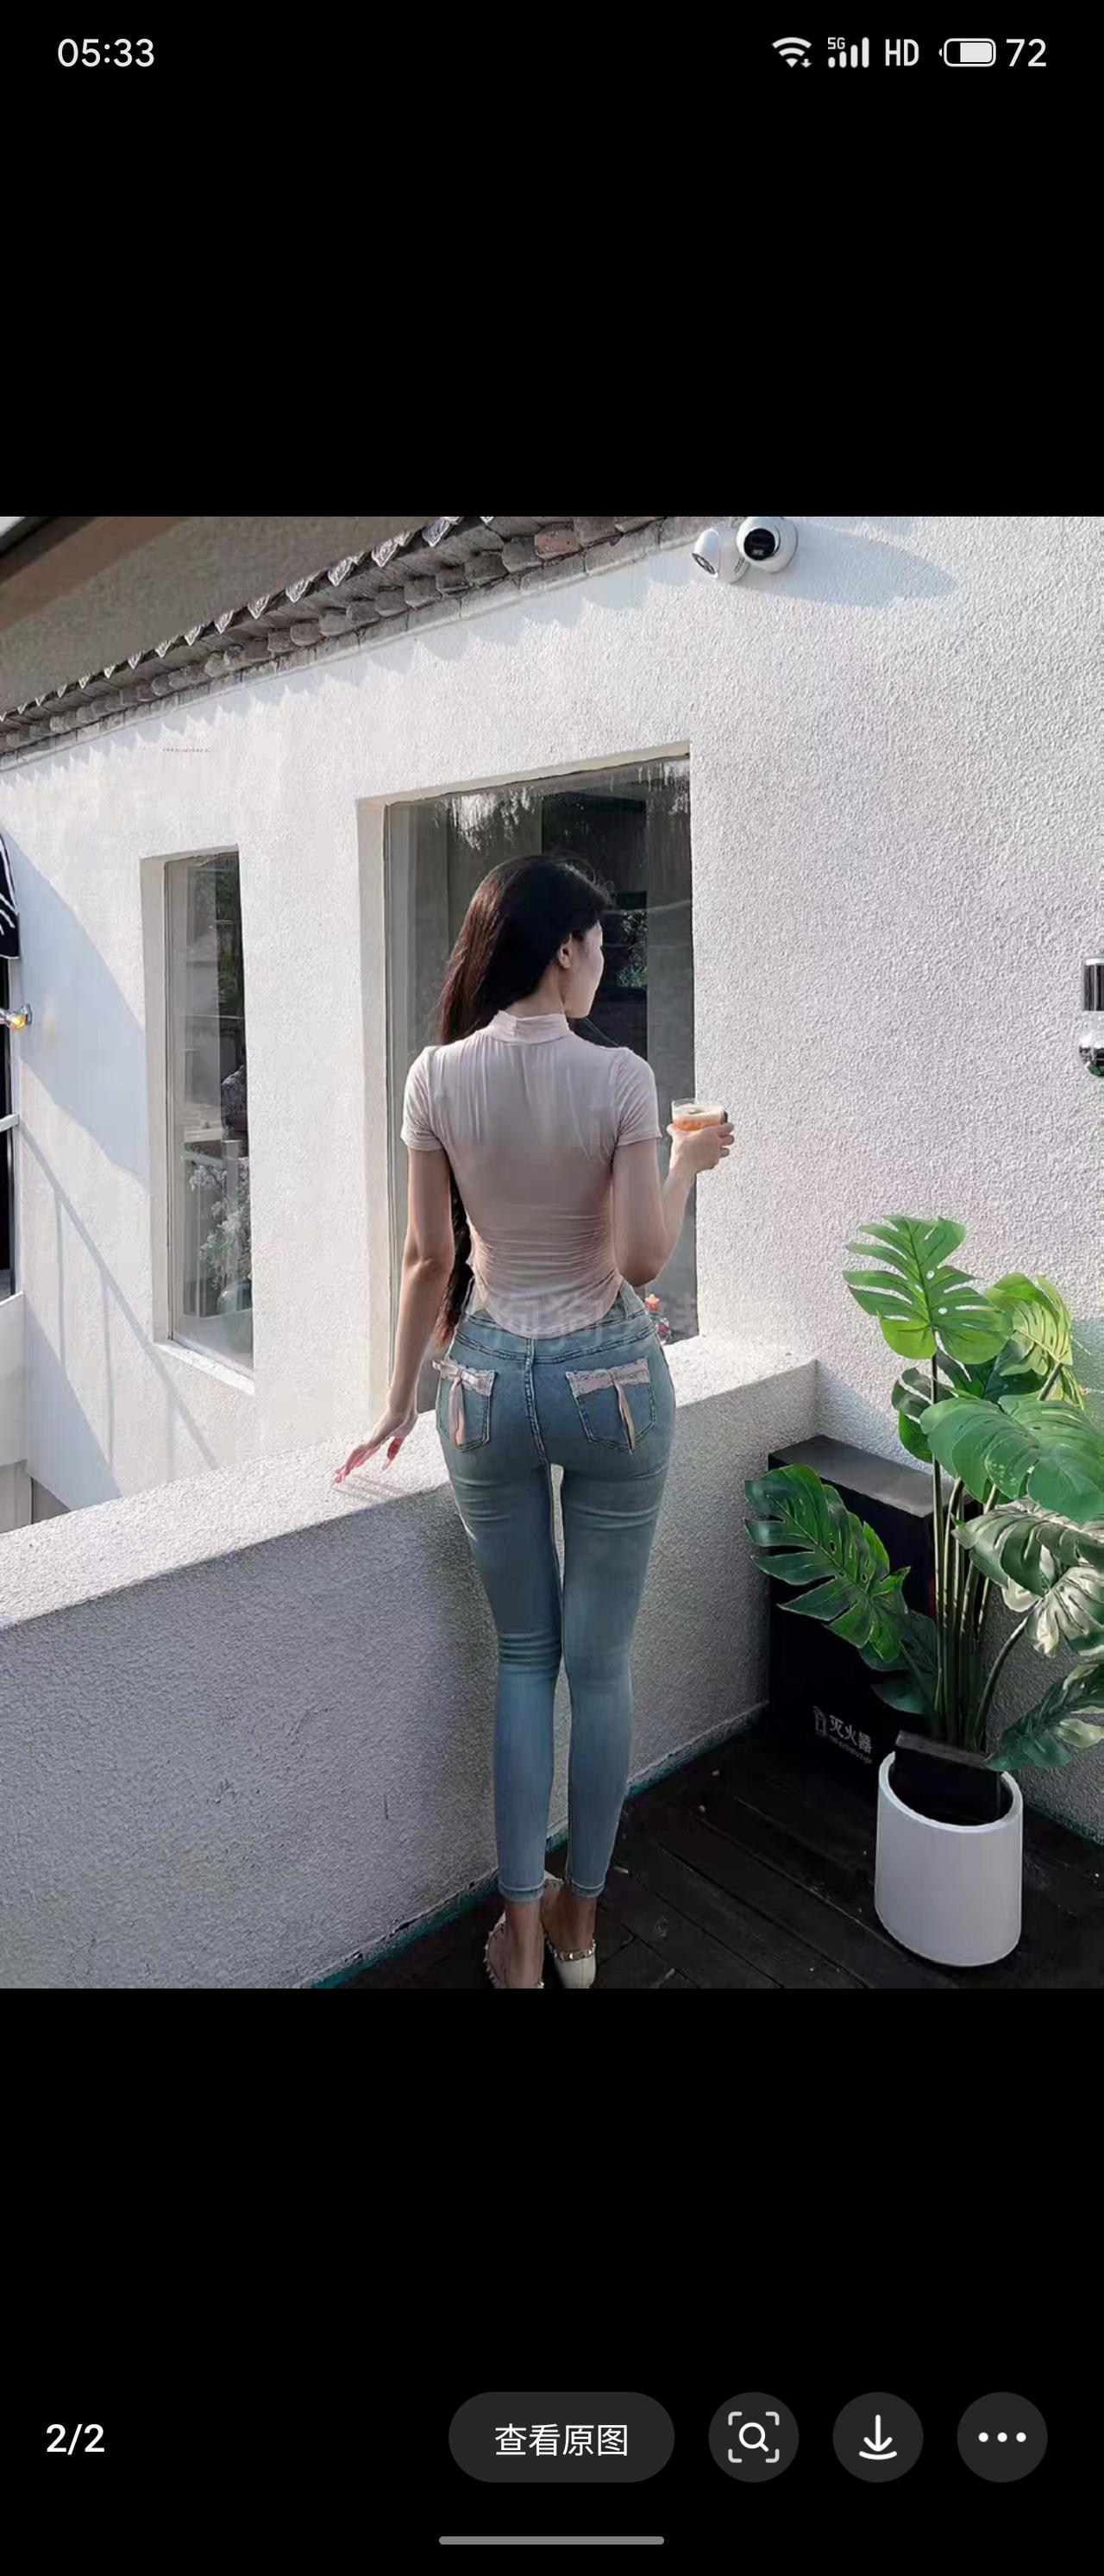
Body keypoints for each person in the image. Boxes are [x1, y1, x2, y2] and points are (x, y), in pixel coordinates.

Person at [334, 856, 733, 1987]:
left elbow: (430, 1258)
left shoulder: (434, 1077)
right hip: (611, 1384)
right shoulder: (619, 1079)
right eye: (600, 944)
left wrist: (396, 1400)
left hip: (486, 1388)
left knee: (524, 1657)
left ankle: (513, 1935)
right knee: (597, 1669)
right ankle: (578, 1927)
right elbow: (640, 1259)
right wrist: (686, 1162)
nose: (604, 964)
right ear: (564, 948)